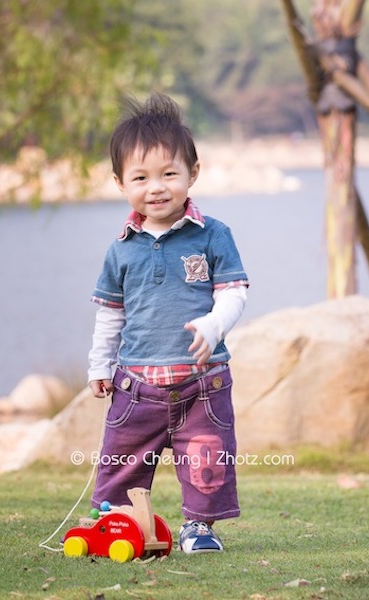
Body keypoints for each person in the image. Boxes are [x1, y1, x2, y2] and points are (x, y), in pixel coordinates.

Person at [87, 93, 249, 554]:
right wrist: (99, 365)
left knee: (205, 460)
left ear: (191, 174)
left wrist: (215, 326)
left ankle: (199, 527)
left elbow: (234, 291)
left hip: (203, 382)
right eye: (140, 177)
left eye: (168, 174)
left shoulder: (213, 234)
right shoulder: (120, 249)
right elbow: (110, 313)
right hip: (135, 383)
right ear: (121, 183)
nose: (156, 187)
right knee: (122, 460)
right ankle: (118, 524)